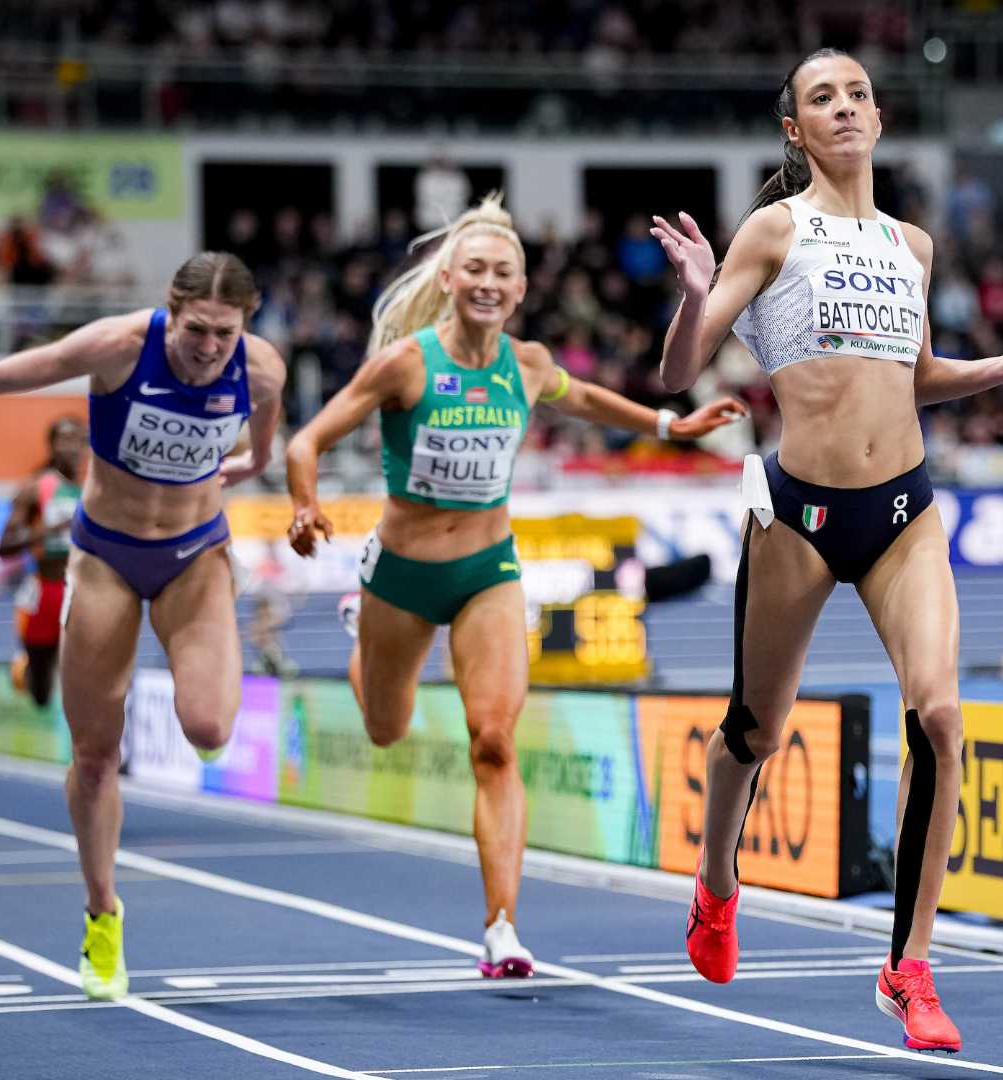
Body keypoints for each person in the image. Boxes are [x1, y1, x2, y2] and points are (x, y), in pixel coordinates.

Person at [649, 49, 1003, 1054]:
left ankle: (907, 969)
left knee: (940, 716)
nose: (843, 107)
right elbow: (677, 374)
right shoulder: (774, 228)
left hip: (904, 508)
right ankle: (718, 880)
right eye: (822, 98)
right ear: (794, 129)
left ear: (879, 116)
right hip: (800, 515)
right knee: (753, 733)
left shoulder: (914, 243)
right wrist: (693, 292)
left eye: (856, 93)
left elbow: (911, 377)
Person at [285, 195, 747, 978]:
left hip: (486, 571)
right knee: (385, 728)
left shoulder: (526, 364)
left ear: (523, 286)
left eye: (504, 270)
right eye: (475, 269)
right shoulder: (405, 364)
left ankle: (502, 928)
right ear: (449, 276)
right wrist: (304, 506)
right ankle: (362, 642)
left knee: (494, 742)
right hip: (399, 575)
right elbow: (307, 439)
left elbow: (589, 399)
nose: (488, 282)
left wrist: (672, 426)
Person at [0, 252, 286, 1001]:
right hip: (107, 560)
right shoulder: (117, 347)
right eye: (196, 331)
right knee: (93, 756)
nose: (210, 349)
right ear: (168, 311)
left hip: (194, 556)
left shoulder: (264, 370)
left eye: (224, 333)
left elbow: (263, 448)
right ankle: (101, 911)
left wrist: (236, 473)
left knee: (211, 727)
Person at [0, 417, 87, 708]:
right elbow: (4, 546)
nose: (72, 448)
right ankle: (28, 666)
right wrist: (50, 529)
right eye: (64, 440)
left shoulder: (95, 490)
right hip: (45, 593)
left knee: (80, 676)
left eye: (78, 440)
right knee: (40, 694)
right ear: (51, 446)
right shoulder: (35, 488)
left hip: (81, 591)